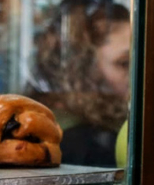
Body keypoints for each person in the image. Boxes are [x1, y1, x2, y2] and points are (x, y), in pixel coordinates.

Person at [28, 0, 132, 167]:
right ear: (82, 67)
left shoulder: (39, 117)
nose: (135, 76)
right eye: (124, 63)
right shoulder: (88, 144)